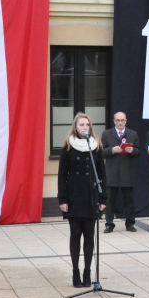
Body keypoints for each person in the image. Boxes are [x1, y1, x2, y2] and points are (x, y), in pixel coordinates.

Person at [57, 113, 107, 288]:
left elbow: (102, 174)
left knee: (89, 235)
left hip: (91, 195)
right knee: (76, 234)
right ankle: (75, 271)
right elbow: (62, 175)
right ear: (75, 127)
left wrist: (103, 198)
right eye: (81, 125)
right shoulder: (68, 146)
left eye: (87, 125)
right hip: (74, 195)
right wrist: (63, 199)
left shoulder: (96, 146)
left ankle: (87, 272)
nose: (85, 127)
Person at [101, 112, 140, 233]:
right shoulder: (106, 133)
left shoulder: (132, 134)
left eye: (122, 120)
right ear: (114, 121)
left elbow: (138, 152)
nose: (120, 122)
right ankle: (109, 224)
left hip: (127, 172)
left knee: (129, 201)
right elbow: (101, 152)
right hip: (112, 172)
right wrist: (112, 150)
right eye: (118, 120)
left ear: (126, 121)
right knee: (110, 201)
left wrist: (132, 150)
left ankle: (130, 223)